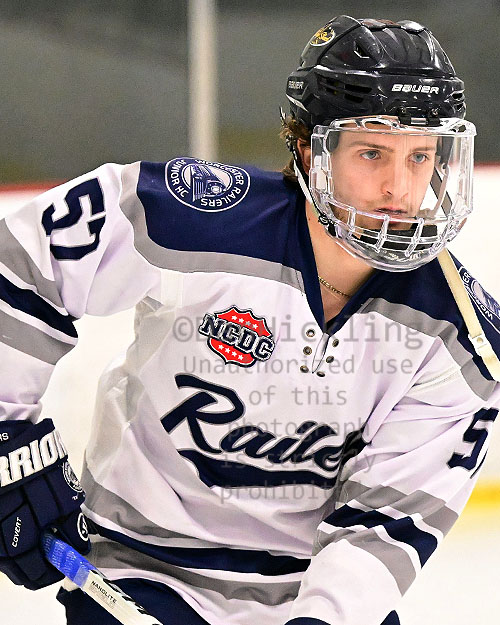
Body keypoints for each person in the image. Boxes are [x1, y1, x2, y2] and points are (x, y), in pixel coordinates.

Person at [0, 14, 499, 625]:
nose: (399, 187)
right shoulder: (196, 219)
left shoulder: (461, 341)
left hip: (303, 592)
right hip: (139, 572)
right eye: (372, 153)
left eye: (421, 156)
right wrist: (5, 439)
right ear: (307, 148)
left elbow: (384, 525)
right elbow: (21, 264)